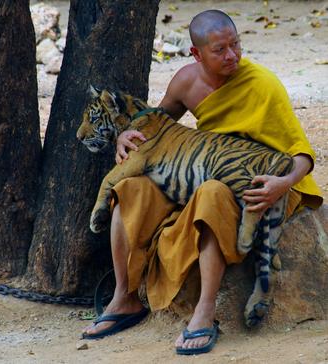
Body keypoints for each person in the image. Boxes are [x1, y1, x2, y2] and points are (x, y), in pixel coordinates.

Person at [82, 9, 323, 355]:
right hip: (202, 166)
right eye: (220, 50)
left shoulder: (263, 84)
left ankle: (205, 310)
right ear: (196, 54)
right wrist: (124, 137)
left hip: (256, 178)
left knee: (211, 194)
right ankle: (124, 298)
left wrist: (282, 184)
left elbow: (301, 152)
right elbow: (154, 125)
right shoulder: (185, 82)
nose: (232, 56)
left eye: (235, 45)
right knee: (128, 188)